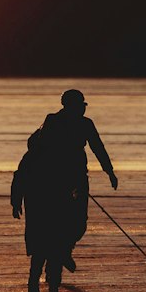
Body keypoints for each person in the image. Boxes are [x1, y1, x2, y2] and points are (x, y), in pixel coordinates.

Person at [40, 89, 118, 267]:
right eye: (81, 106)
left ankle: (66, 250)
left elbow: (98, 147)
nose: (83, 109)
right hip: (56, 179)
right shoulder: (53, 120)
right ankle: (55, 262)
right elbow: (41, 146)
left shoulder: (86, 124)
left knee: (79, 222)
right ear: (70, 106)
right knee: (58, 221)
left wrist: (109, 171)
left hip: (78, 177)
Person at [11, 128, 78, 292]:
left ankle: (34, 283)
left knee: (40, 249)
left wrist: (15, 202)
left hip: (37, 209)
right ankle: (52, 291)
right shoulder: (57, 158)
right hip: (53, 208)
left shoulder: (30, 157)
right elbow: (70, 181)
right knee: (54, 249)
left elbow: (18, 180)